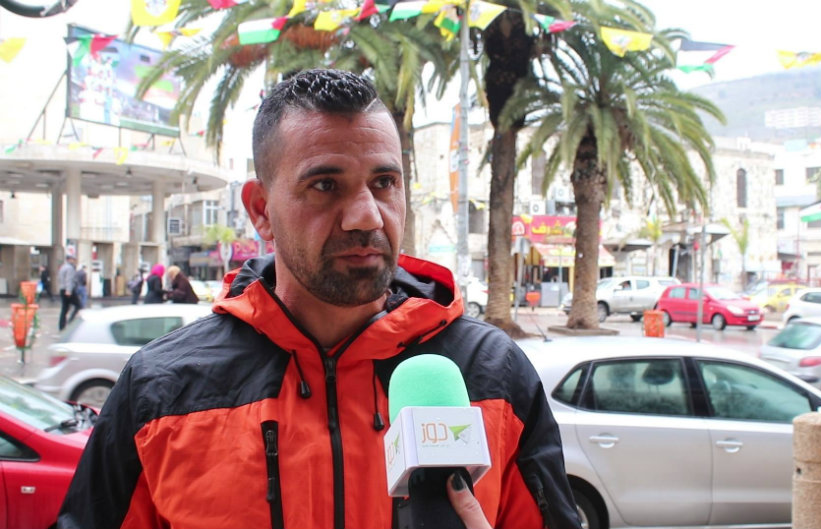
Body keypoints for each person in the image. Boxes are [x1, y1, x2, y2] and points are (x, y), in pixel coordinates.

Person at [58, 69, 580, 529]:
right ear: (261, 209)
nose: (366, 215)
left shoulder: (495, 374)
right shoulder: (159, 391)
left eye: (384, 182)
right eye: (326, 185)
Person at [56, 253, 81, 331]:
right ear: (69, 260)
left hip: (62, 289)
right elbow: (69, 279)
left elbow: (60, 278)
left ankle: (62, 325)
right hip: (68, 289)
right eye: (73, 259)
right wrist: (69, 290)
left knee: (64, 308)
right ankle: (71, 321)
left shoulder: (62, 267)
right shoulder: (70, 268)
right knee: (78, 305)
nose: (74, 261)